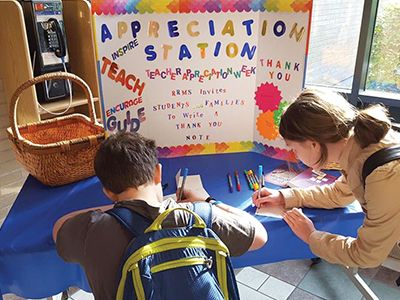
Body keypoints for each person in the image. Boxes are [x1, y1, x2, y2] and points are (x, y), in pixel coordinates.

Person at [53, 131, 267, 300]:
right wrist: (208, 202)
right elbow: (259, 236)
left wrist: (117, 207)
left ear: (108, 192)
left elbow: (59, 227)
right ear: (158, 173)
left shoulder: (94, 230)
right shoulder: (201, 217)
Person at [253, 88, 400, 268]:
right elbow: (339, 194)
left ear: (313, 143)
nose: (296, 156)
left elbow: (365, 255)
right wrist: (284, 197)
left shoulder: (383, 176)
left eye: (295, 149)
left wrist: (311, 236)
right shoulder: (361, 146)